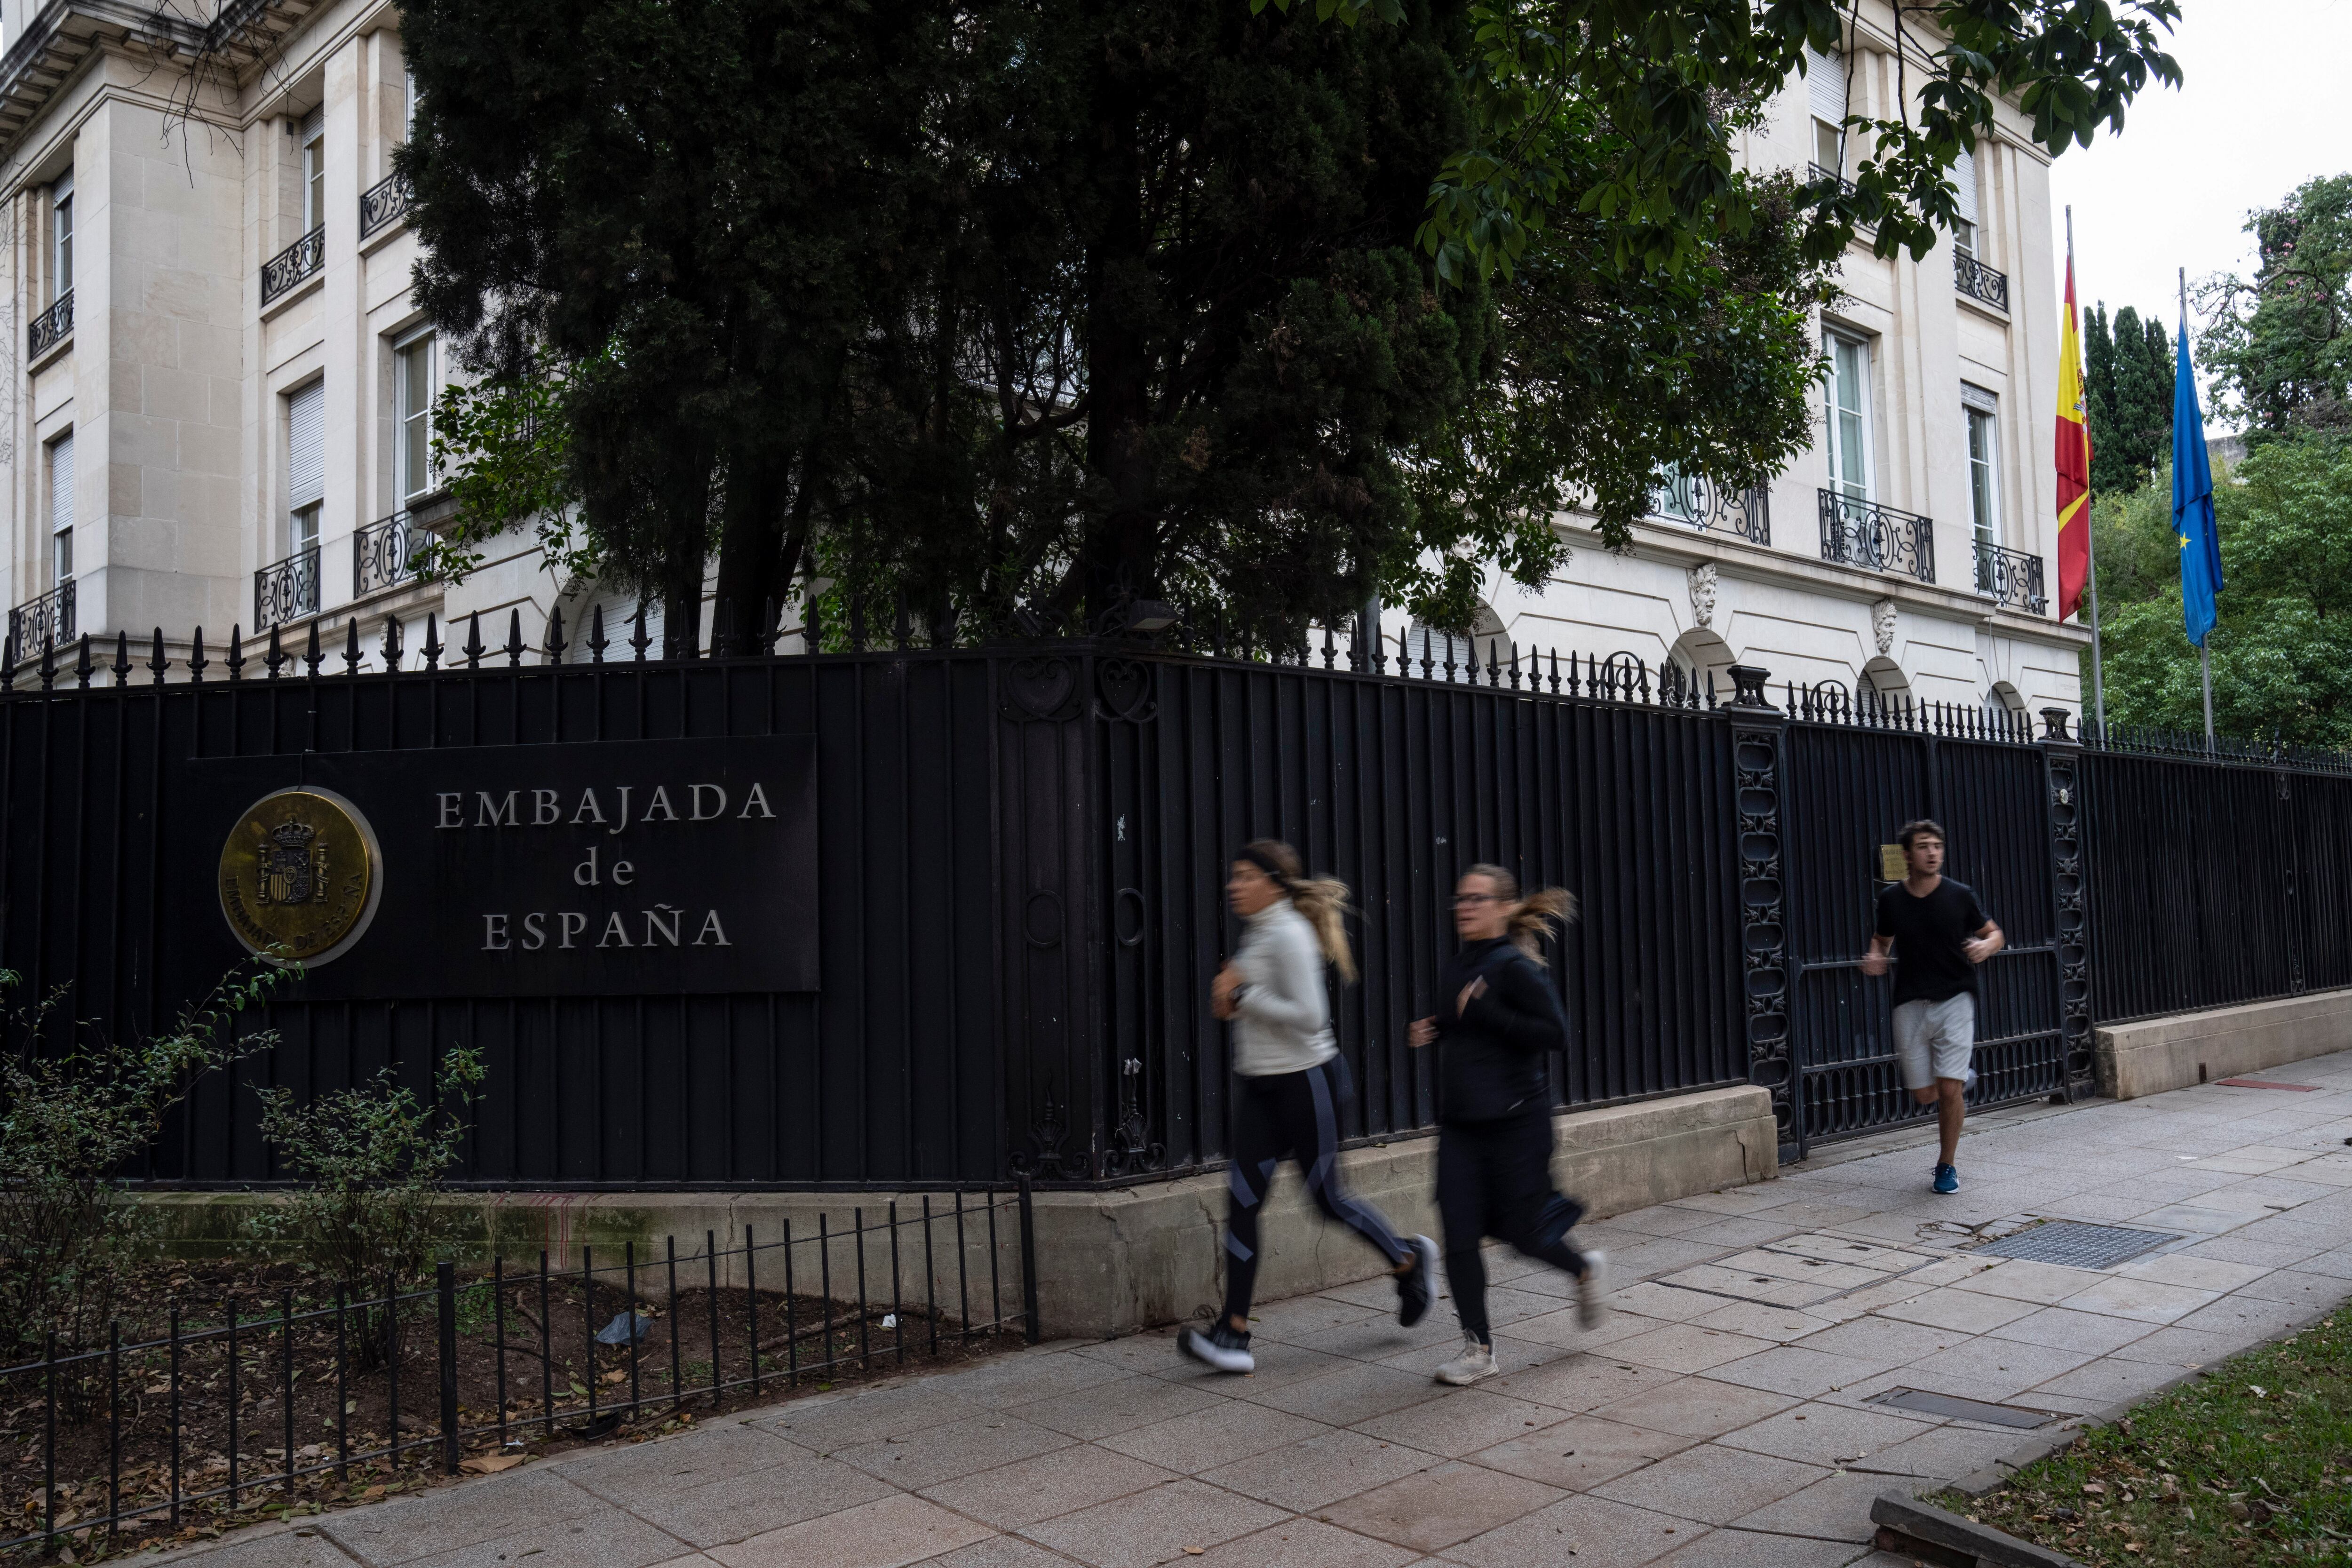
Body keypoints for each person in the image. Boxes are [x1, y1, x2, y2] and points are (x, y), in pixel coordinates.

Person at [1178, 841, 1440, 1375]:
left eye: (1246, 876)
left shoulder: (1290, 934)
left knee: (1327, 1200)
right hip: (1261, 1089)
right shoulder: (1257, 932)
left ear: (1273, 883)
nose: (1235, 885)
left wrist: (1243, 996)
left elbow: (1307, 1015)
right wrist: (1230, 1000)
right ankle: (1233, 1333)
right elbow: (1240, 1004)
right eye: (1234, 876)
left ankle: (1408, 1258)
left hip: (1308, 1085)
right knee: (1243, 1204)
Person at [1408, 864, 1606, 1387]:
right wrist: (1435, 1027)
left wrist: (1488, 1010)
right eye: (1460, 898)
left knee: (1524, 1234)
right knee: (1458, 1233)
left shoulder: (1516, 968)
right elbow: (1461, 1020)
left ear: (1501, 908)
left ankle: (1582, 1270)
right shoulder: (1457, 966)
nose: (1465, 907)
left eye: (1476, 899)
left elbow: (1555, 1034)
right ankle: (1478, 1349)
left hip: (1517, 1124)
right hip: (1461, 1126)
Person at [1861, 819, 2005, 1195]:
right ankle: (1962, 1078)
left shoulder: (1959, 895)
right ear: (1908, 854)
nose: (1932, 852)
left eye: (1937, 846)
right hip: (1910, 1001)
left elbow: (1994, 933)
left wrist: (1985, 947)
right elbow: (1882, 938)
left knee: (1948, 1089)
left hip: (1956, 998)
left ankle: (1946, 1164)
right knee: (1925, 1094)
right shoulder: (1891, 899)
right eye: (1924, 846)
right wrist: (1876, 955)